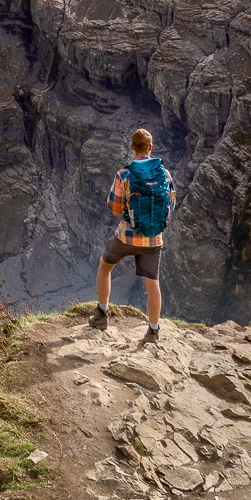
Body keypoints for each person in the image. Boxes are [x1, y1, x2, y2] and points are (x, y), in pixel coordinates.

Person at [89, 127, 175, 341]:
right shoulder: (165, 174)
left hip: (126, 236)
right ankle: (153, 331)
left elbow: (117, 209)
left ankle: (102, 315)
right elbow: (171, 205)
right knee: (152, 283)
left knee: (104, 266)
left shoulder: (124, 174)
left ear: (132, 148)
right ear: (150, 147)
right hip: (154, 238)